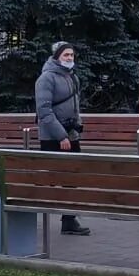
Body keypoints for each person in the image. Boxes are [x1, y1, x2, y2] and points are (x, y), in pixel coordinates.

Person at [35, 41, 90, 236]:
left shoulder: (72, 77)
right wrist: (61, 136)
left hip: (71, 134)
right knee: (51, 179)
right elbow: (44, 110)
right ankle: (35, 215)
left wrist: (76, 128)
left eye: (72, 55)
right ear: (57, 57)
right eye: (66, 55)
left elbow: (76, 105)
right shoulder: (46, 78)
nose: (69, 58)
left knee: (72, 179)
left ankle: (69, 220)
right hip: (53, 137)